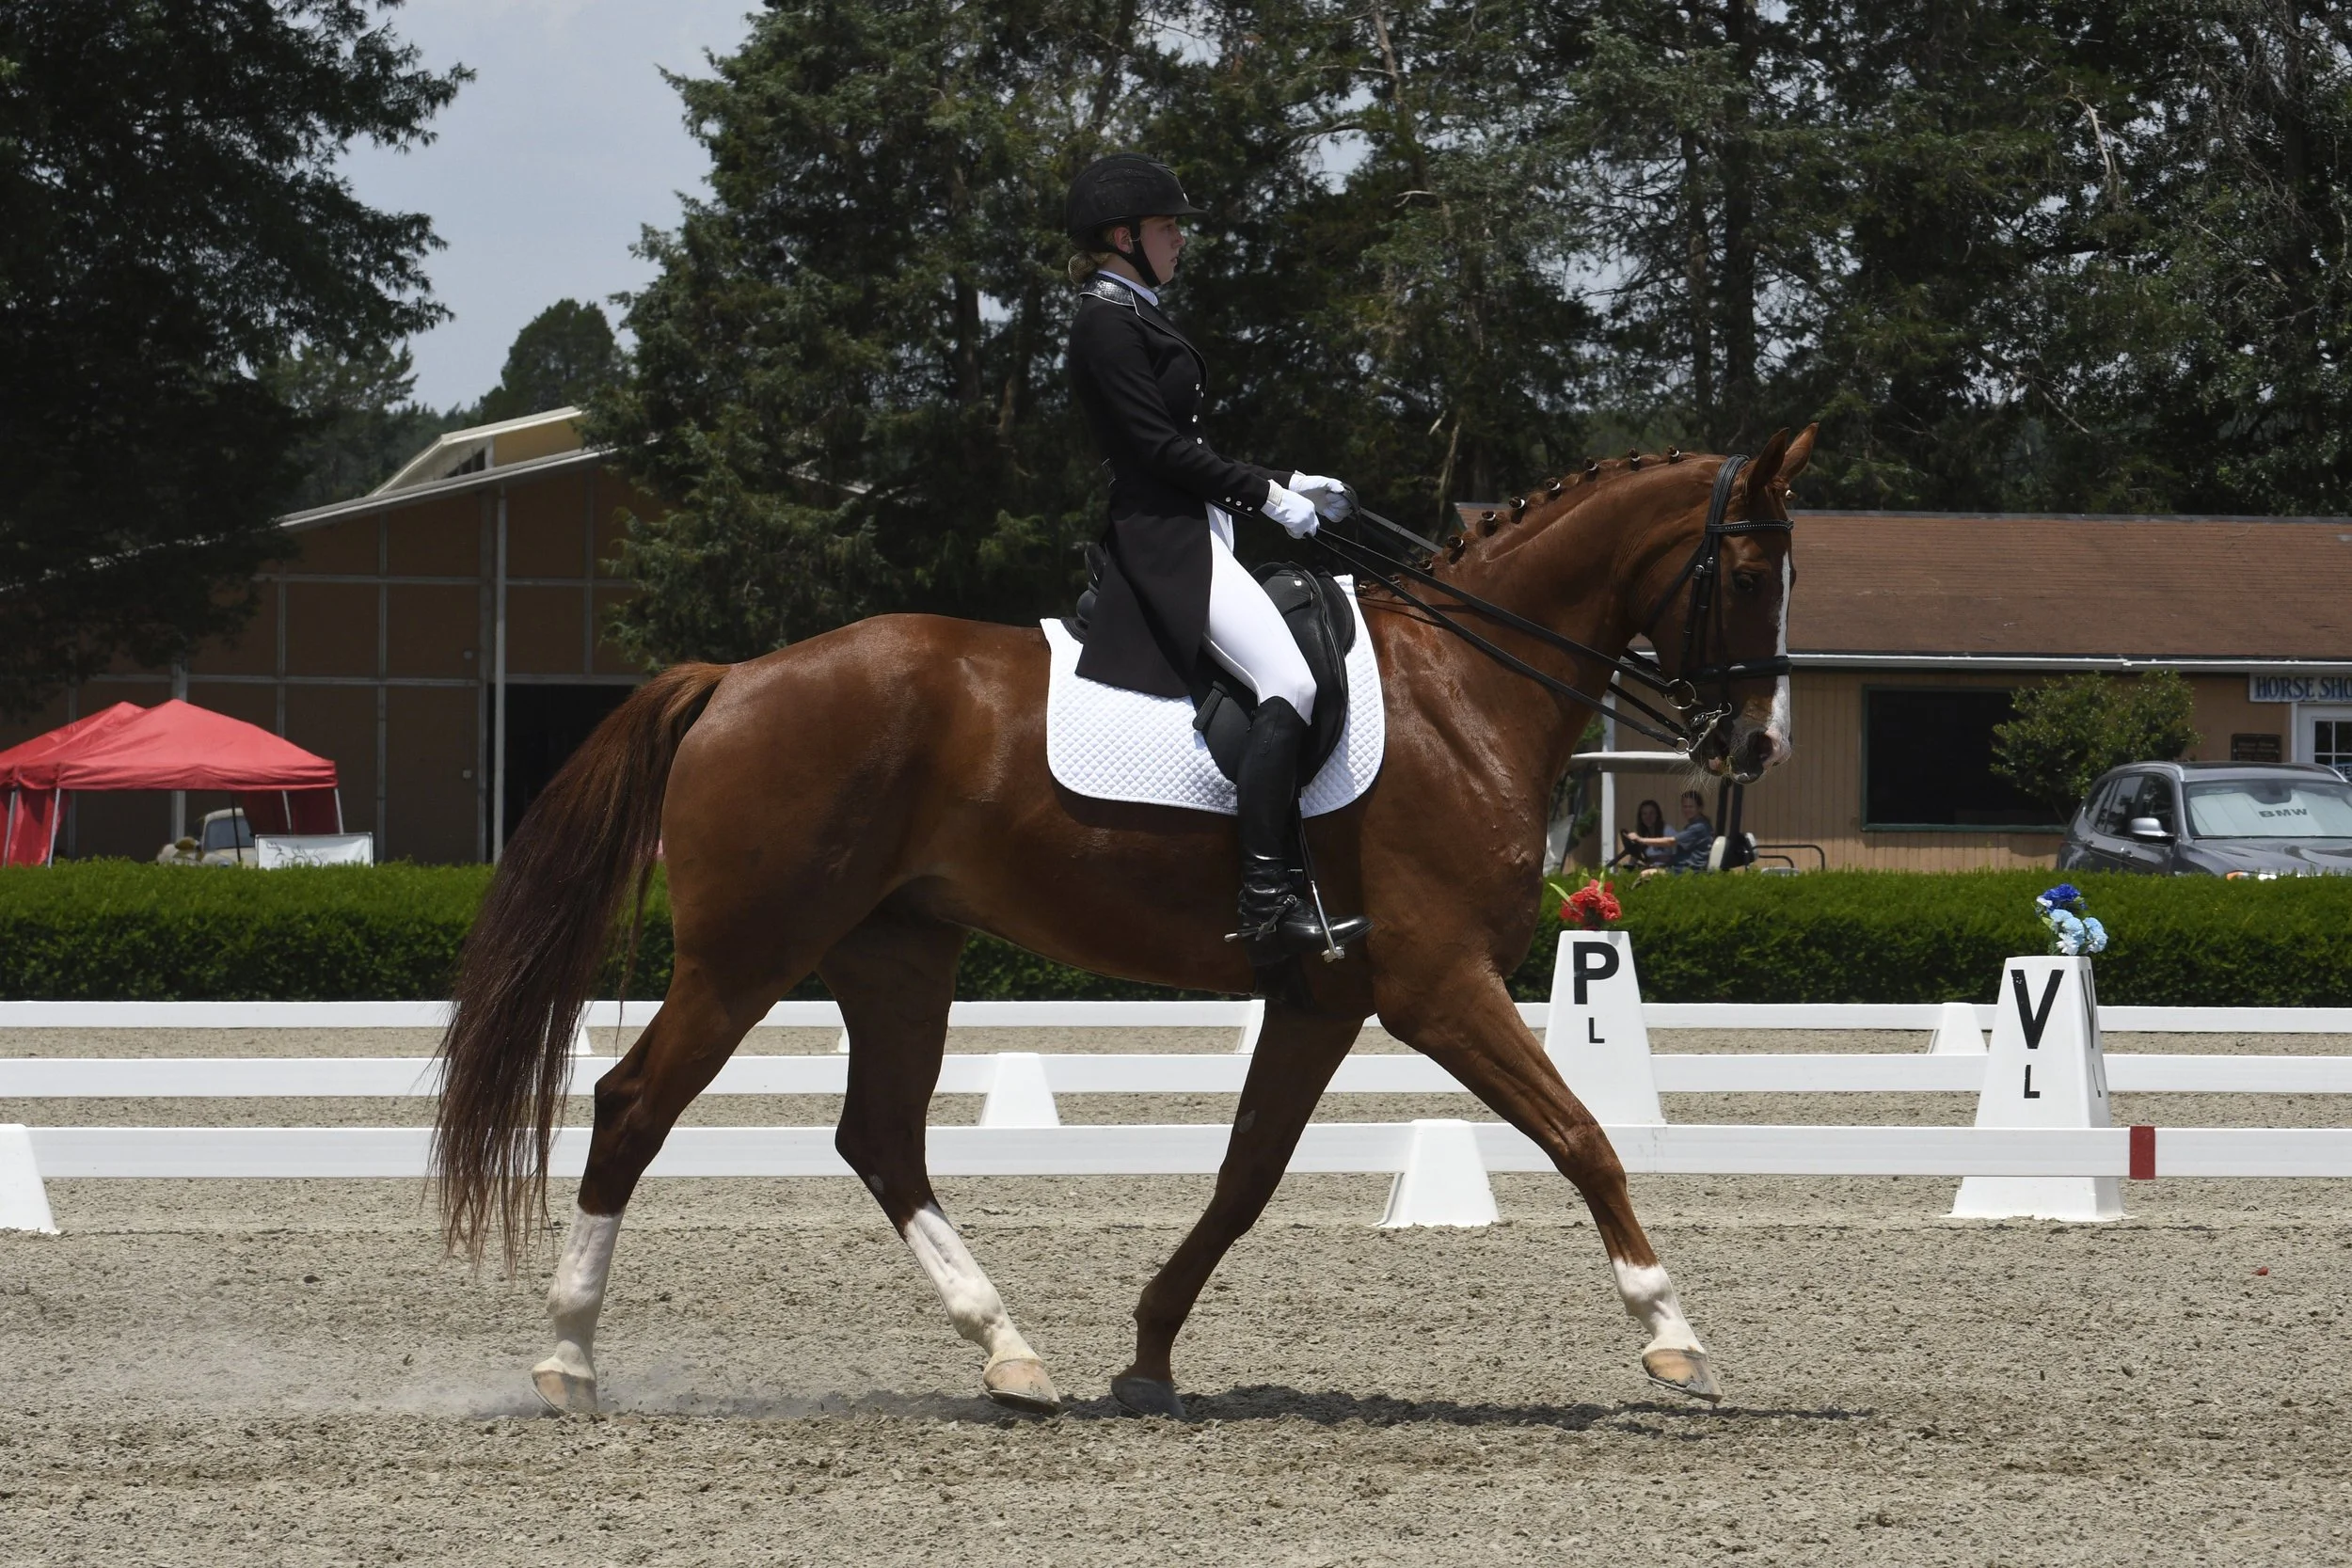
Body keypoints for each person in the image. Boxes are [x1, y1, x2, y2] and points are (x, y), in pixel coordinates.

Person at [1061, 152, 1369, 966]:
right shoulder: (1104, 321)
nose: (1180, 241)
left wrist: (1287, 479)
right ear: (1123, 236)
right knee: (1292, 683)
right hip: (1165, 543)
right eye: (1168, 228)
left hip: (1197, 527)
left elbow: (1188, 446)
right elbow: (1157, 448)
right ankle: (1267, 896)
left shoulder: (1135, 308)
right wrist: (1268, 500)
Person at [1637, 790, 1716, 879]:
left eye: (1691, 807)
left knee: (1645, 875)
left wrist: (1641, 840)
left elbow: (1671, 841)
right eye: (1685, 807)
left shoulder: (1699, 827)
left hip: (1689, 871)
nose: (1687, 810)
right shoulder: (1693, 826)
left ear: (1700, 808)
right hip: (1680, 868)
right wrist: (1655, 859)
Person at [1611, 798, 1671, 872]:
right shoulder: (1644, 835)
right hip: (1652, 871)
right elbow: (1635, 855)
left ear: (1657, 815)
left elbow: (1672, 856)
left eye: (1651, 813)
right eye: (1644, 814)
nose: (1648, 817)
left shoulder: (1667, 831)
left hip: (1668, 872)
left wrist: (1650, 863)